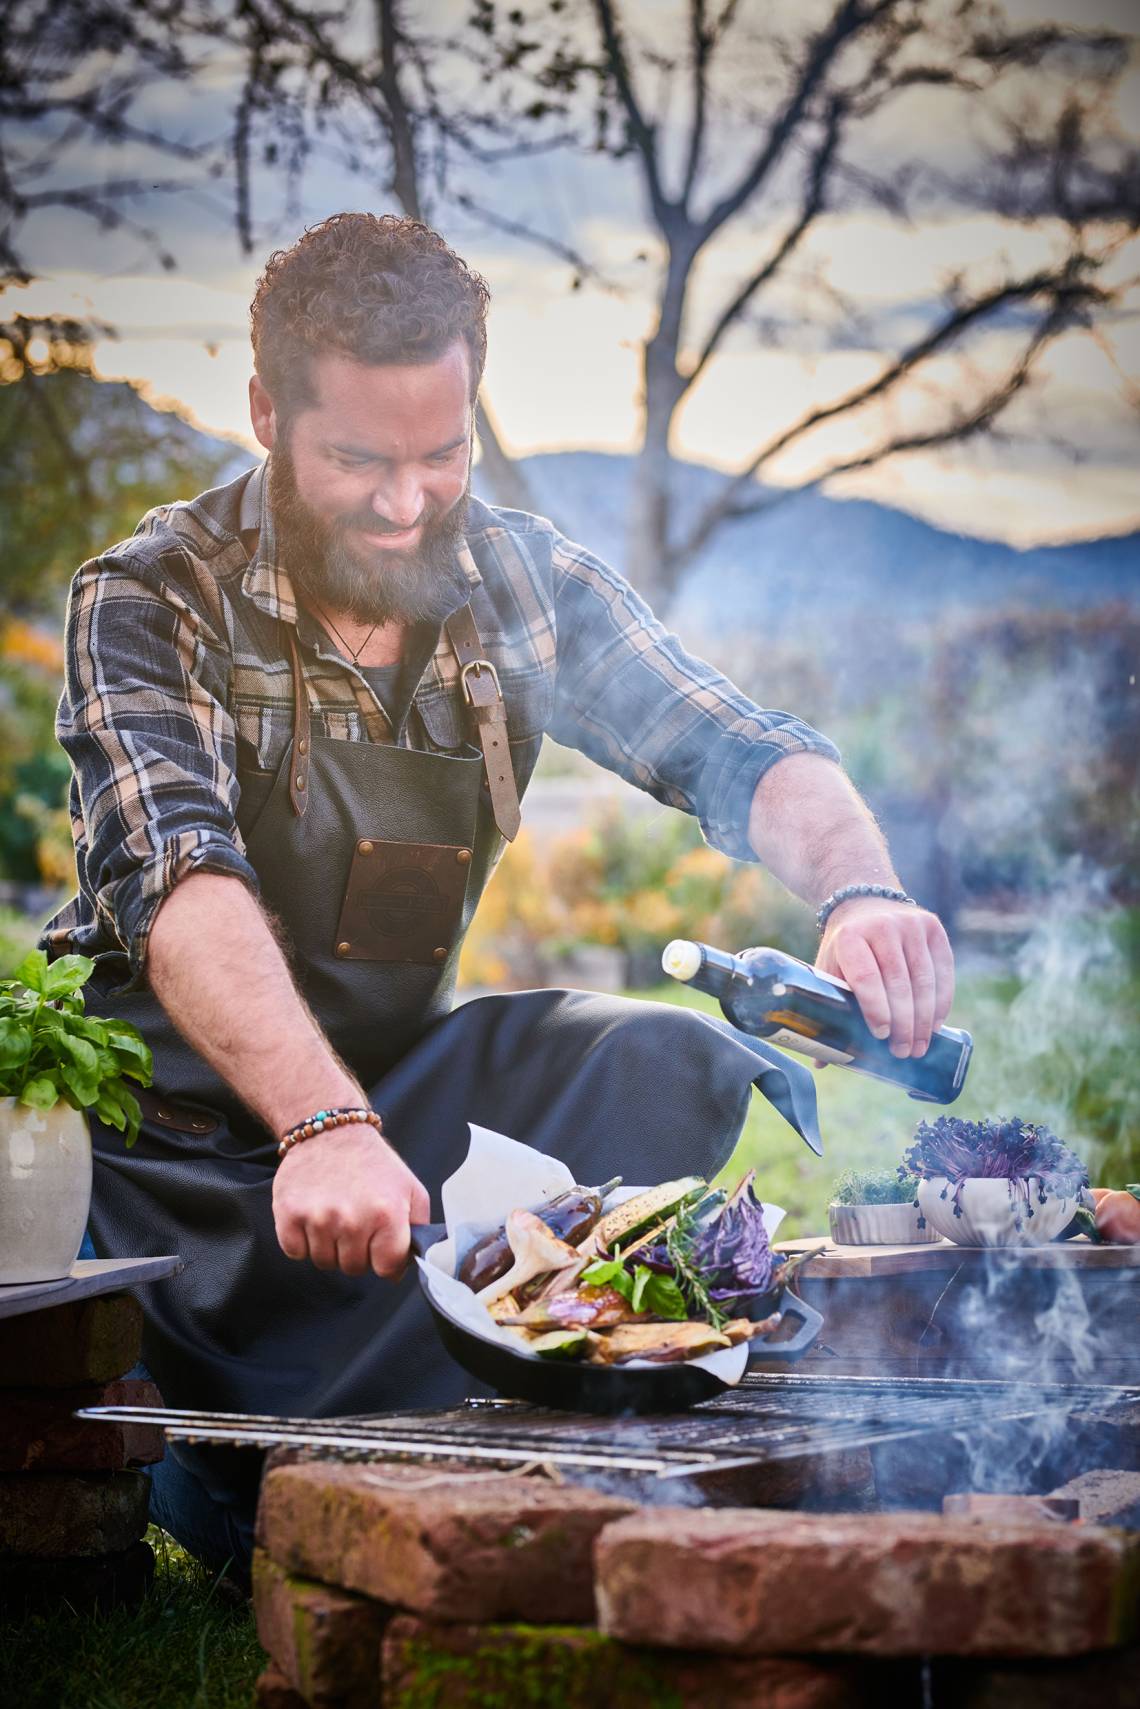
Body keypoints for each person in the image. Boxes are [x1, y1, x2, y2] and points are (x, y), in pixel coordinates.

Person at [43, 214, 955, 1578]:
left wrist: (862, 887)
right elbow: (179, 877)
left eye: (442, 454)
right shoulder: (153, 593)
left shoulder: (518, 580)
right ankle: (237, 1453)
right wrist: (321, 1119)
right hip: (183, 1166)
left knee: (677, 1053)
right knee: (244, 1451)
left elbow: (737, 743)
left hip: (395, 1115)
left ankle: (459, 1401)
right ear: (265, 413)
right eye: (358, 458)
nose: (409, 503)